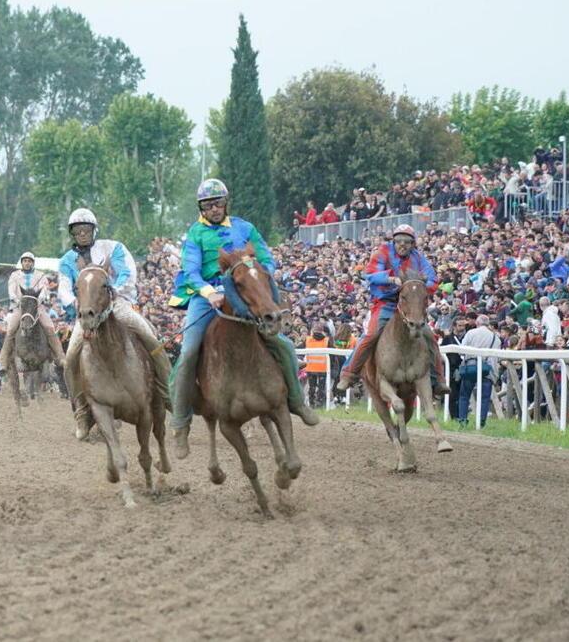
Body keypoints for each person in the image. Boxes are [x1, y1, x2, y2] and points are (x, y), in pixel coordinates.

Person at [167, 178, 314, 459]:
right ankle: (181, 423)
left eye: (218, 203)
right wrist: (209, 292)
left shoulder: (245, 228)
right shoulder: (195, 234)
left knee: (281, 342)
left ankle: (297, 401)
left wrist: (261, 274)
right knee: (187, 353)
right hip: (207, 297)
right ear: (201, 207)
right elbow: (191, 272)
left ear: (225, 203)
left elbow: (266, 257)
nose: (214, 208)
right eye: (208, 205)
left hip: (245, 289)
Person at [58, 207, 172, 437]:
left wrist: (113, 291)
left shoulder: (113, 247)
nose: (82, 233)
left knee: (150, 337)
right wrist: (76, 303)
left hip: (115, 304)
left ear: (93, 229)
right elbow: (63, 288)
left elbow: (127, 273)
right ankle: (81, 411)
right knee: (70, 358)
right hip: (87, 311)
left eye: (86, 229)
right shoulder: (67, 260)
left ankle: (169, 394)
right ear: (72, 233)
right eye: (77, 230)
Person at [335, 224, 450, 396]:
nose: (402, 245)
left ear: (413, 244)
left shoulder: (418, 258)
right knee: (371, 335)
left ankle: (438, 380)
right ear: (393, 241)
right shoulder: (382, 252)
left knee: (429, 337)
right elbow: (370, 275)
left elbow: (433, 280)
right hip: (385, 303)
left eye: (407, 242)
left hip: (410, 306)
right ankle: (348, 373)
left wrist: (415, 285)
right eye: (399, 241)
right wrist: (390, 279)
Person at [0, 251, 65, 373]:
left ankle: (60, 357)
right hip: (20, 307)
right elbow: (11, 291)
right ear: (22, 262)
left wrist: (38, 300)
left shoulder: (41, 275)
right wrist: (18, 300)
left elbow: (45, 290)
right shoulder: (14, 275)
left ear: (32, 263)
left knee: (50, 328)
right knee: (11, 329)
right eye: (25, 261)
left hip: (37, 307)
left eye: (29, 261)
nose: (27, 263)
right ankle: (3, 362)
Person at [456, 314, 501, 428]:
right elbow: (496, 358)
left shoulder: (471, 333)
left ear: (477, 323)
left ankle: (462, 420)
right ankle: (481, 422)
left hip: (470, 368)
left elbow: (461, 350)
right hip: (487, 370)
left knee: (464, 395)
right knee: (484, 398)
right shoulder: (496, 338)